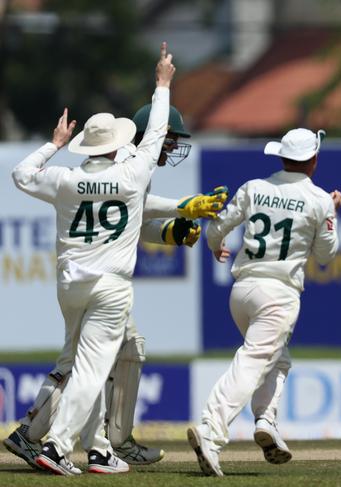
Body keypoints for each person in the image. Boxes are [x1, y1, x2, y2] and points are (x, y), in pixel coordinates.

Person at [2, 102, 228, 471]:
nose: (170, 148)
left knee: (102, 355)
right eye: (168, 139)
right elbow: (137, 203)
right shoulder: (130, 164)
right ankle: (90, 443)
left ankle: (95, 443)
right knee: (90, 362)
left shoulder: (88, 170)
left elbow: (129, 220)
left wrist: (172, 231)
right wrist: (182, 207)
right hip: (106, 280)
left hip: (75, 279)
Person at [9, 42, 175, 476]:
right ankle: (58, 446)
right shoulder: (133, 173)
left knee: (87, 362)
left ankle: (99, 450)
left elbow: (21, 175)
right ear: (118, 144)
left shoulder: (65, 179)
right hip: (109, 286)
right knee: (89, 369)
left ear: (85, 147)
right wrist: (162, 83)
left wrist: (53, 144)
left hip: (69, 286)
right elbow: (156, 132)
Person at [187, 128, 341, 477]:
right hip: (279, 294)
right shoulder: (319, 199)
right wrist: (332, 212)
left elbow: (216, 228)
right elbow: (325, 254)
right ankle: (211, 431)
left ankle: (266, 421)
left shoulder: (254, 187)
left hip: (242, 292)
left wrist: (215, 246)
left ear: (282, 156)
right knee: (255, 359)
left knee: (277, 359)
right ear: (314, 160)